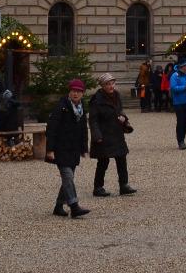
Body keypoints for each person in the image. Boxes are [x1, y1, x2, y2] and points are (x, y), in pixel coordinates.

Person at [46, 79, 91, 218]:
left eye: (79, 91)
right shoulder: (61, 106)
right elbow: (51, 128)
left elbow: (84, 128)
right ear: (69, 92)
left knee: (68, 179)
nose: (76, 94)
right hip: (60, 148)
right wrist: (50, 150)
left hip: (74, 148)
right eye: (73, 91)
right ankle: (74, 206)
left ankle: (58, 206)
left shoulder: (81, 107)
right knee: (68, 176)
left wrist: (84, 147)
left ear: (82, 93)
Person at [87, 73, 135, 197]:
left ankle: (124, 185)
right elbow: (93, 119)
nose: (111, 86)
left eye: (112, 83)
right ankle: (98, 187)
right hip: (104, 134)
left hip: (116, 132)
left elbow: (120, 110)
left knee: (122, 159)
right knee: (103, 162)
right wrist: (96, 135)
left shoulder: (117, 95)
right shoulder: (96, 99)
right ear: (102, 86)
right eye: (108, 84)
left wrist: (124, 118)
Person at [169, 58, 186, 149]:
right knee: (181, 122)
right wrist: (185, 87)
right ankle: (180, 141)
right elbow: (173, 88)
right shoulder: (175, 75)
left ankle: (183, 139)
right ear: (183, 66)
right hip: (178, 103)